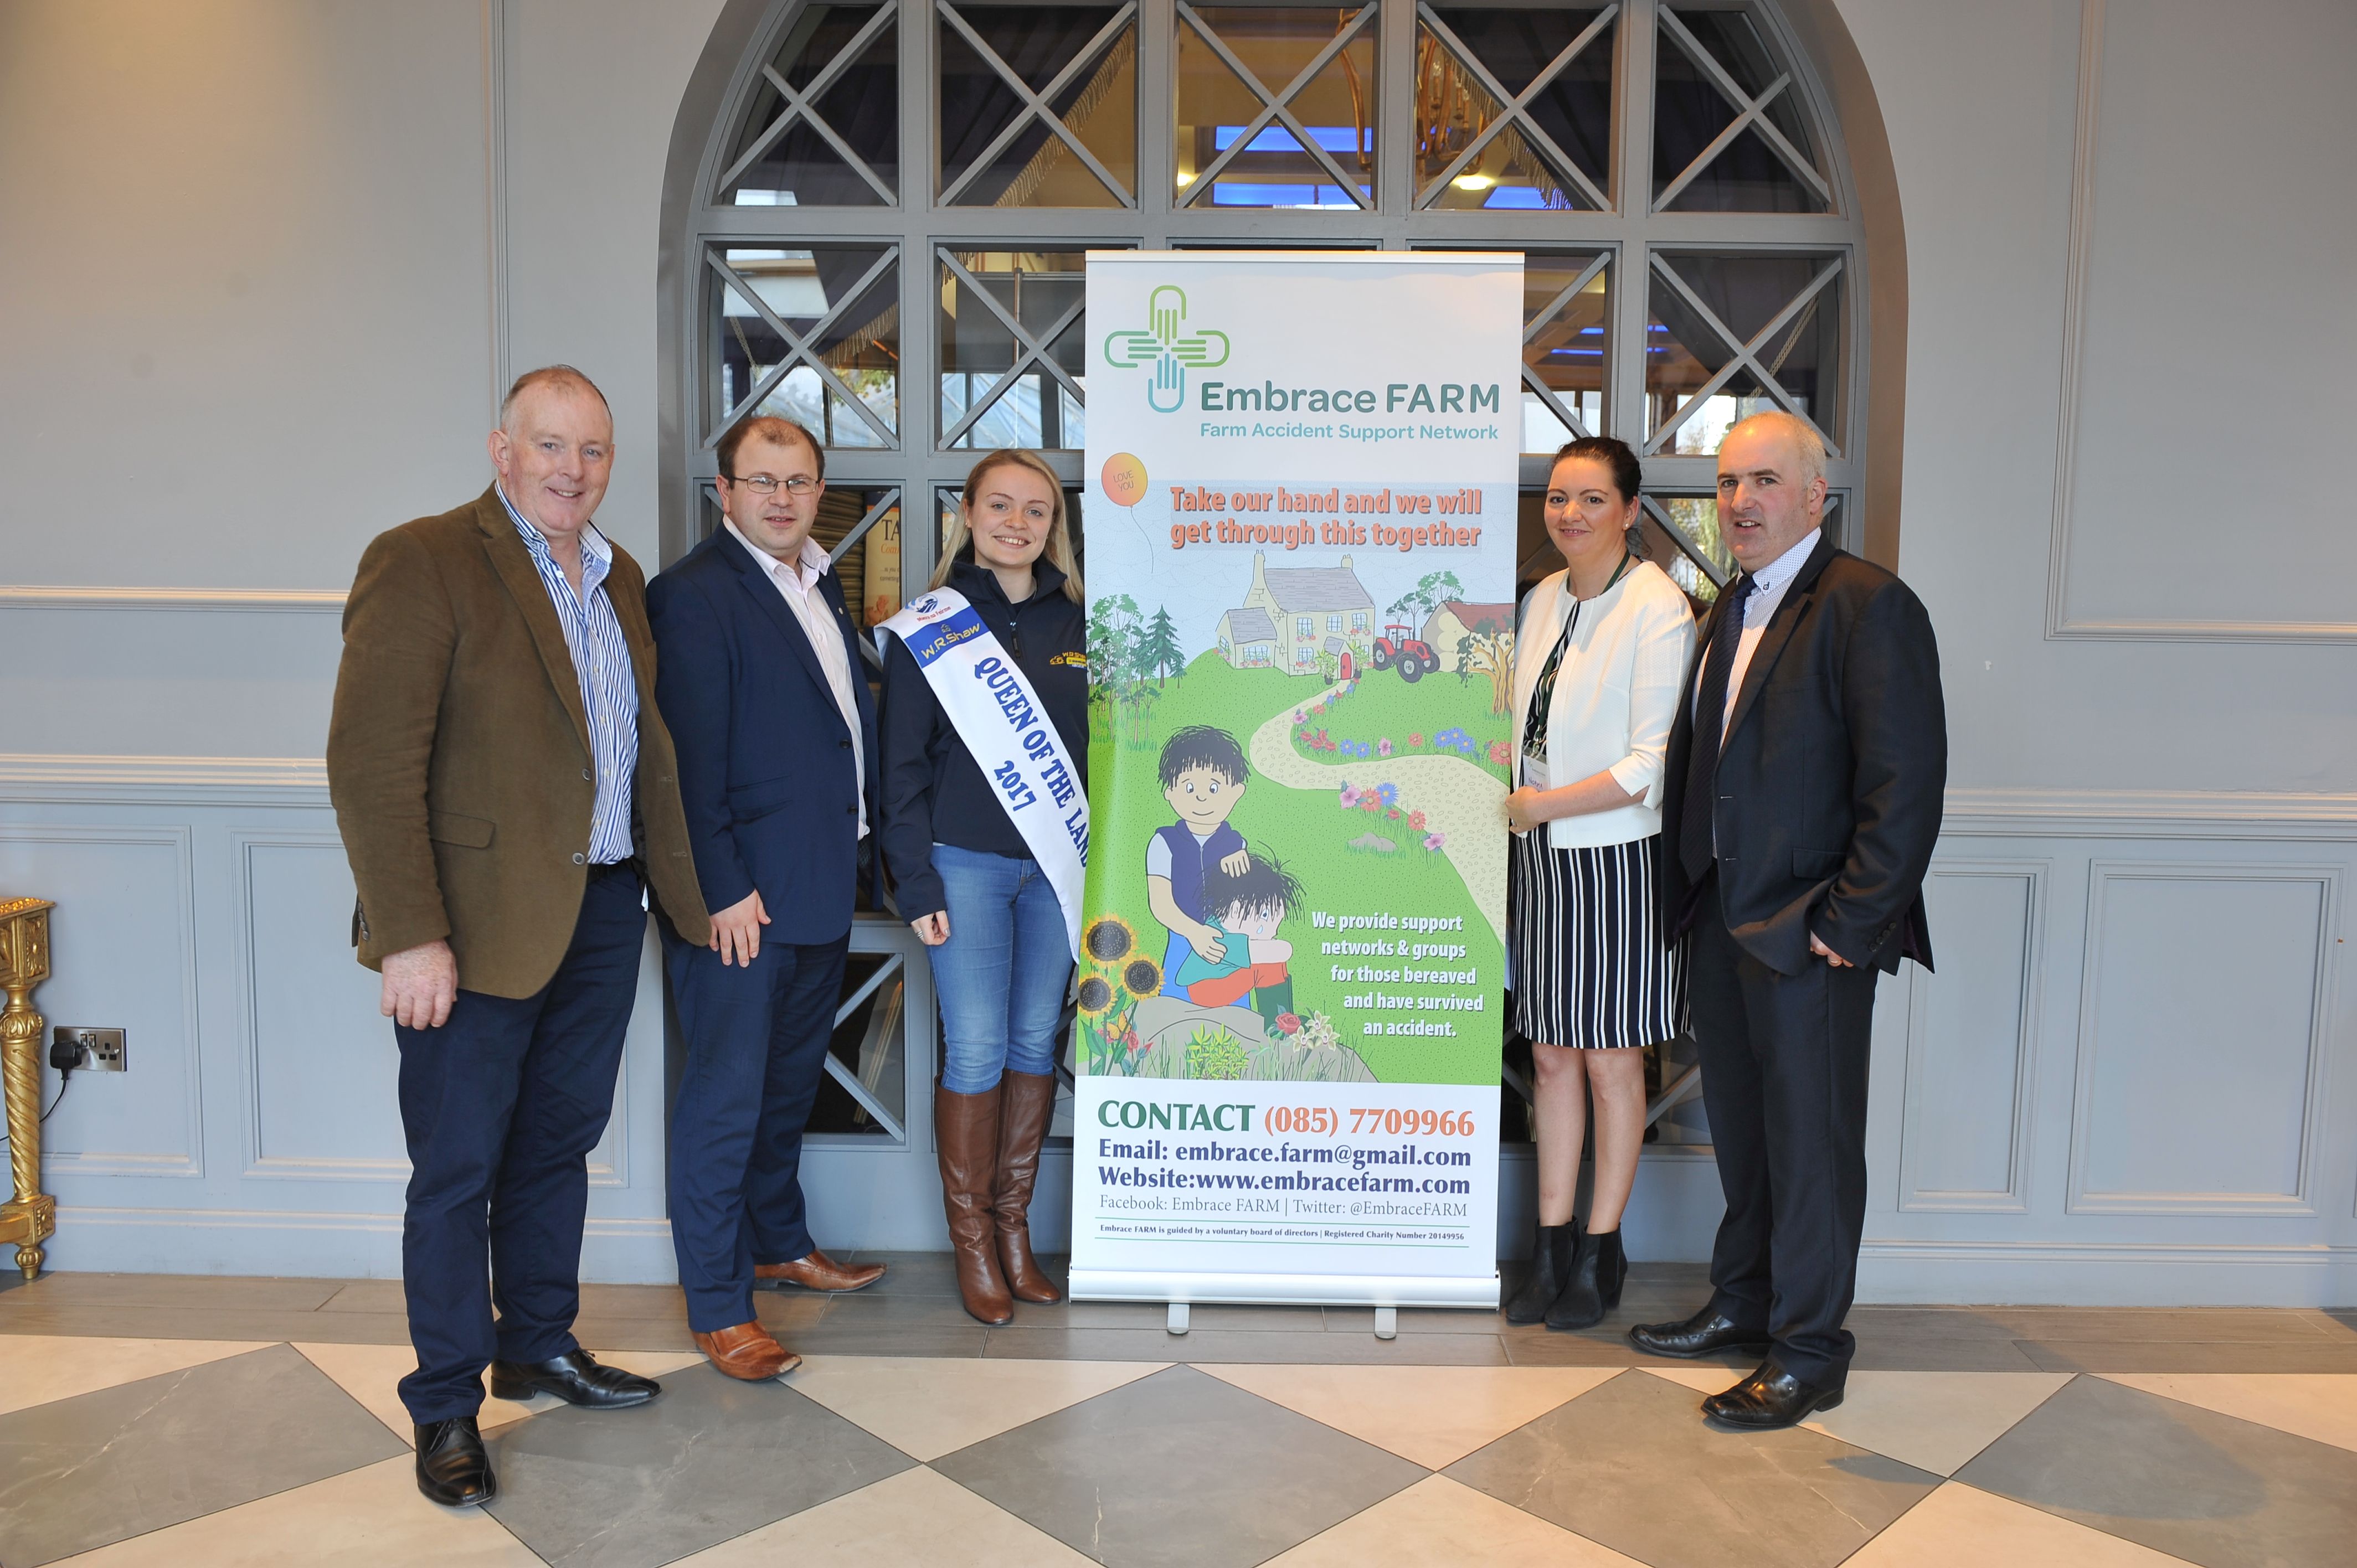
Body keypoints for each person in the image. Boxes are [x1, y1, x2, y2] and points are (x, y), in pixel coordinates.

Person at [328, 365, 711, 1508]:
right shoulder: (425, 557)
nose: (571, 470)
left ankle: (537, 1344)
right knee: (456, 1170)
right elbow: (370, 762)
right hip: (469, 931)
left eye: (590, 451)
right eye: (549, 446)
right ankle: (446, 1400)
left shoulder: (618, 575)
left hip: (599, 912)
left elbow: (641, 750)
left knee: (555, 1147)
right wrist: (408, 935)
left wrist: (678, 901)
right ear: (502, 451)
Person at [1636, 410, 1946, 1429]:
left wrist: (1851, 924)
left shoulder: (1868, 605)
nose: (1739, 502)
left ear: (1816, 495)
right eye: (1728, 484)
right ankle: (1746, 1302)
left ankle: (1811, 1351)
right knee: (1746, 1132)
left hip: (1812, 931)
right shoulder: (1734, 601)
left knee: (1811, 1147)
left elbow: (1904, 785)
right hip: (1725, 919)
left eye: (1763, 481)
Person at [647, 414, 886, 1382]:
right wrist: (722, 888)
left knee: (786, 1091)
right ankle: (717, 1305)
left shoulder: (818, 582)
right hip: (741, 906)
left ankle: (780, 1242)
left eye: (797, 481)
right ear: (725, 492)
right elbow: (685, 764)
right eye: (762, 481)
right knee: (723, 1103)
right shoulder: (694, 598)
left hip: (821, 889)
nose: (782, 498)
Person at [878, 449, 1089, 1325]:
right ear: (967, 513)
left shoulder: (1083, 622)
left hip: (1055, 871)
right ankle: (975, 1248)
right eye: (999, 506)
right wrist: (913, 878)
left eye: (1035, 510)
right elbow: (897, 769)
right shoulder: (933, 625)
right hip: (960, 865)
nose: (1016, 522)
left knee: (1036, 1040)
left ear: (1054, 526)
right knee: (974, 1048)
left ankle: (1014, 1237)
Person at [1500, 437, 1698, 1333]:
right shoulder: (1542, 598)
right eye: (1557, 497)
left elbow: (1651, 766)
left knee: (1611, 1057)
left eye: (1590, 499)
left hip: (1616, 854)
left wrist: (1543, 806)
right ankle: (1549, 1241)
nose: (1568, 514)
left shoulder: (1659, 608)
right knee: (1548, 1051)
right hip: (1540, 852)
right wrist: (1531, 813)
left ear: (1629, 509)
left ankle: (1599, 1246)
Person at [1148, 726, 1254, 996]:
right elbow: (1160, 903)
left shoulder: (1237, 845)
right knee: (1175, 1017)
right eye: (1190, 787)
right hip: (1182, 940)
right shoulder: (1163, 843)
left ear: (1237, 792)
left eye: (1215, 787)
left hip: (1227, 943)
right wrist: (1194, 933)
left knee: (1235, 1022)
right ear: (1170, 793)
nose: (1202, 797)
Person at [1174, 853, 1300, 1027]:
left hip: (1218, 983)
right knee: (1269, 964)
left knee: (1273, 962)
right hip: (1207, 990)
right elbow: (1284, 951)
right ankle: (1279, 1022)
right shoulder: (1220, 936)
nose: (1273, 932)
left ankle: (1283, 1019)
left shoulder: (1222, 929)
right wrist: (1280, 947)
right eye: (1265, 919)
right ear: (1236, 910)